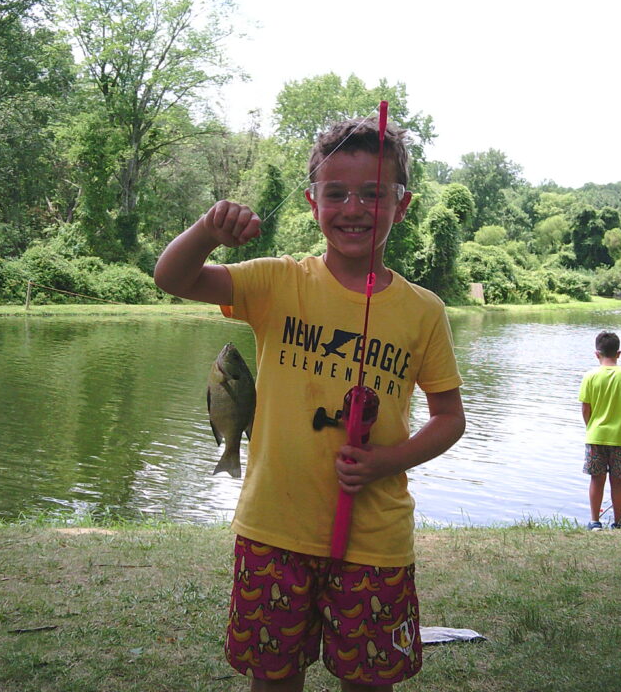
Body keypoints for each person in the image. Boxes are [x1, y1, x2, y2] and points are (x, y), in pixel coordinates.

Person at [154, 116, 465, 692]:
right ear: (311, 201)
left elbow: (450, 417)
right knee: (273, 678)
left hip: (376, 537)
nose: (354, 208)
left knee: (369, 681)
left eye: (374, 193)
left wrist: (387, 461)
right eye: (336, 192)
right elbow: (173, 277)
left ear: (402, 205)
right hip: (275, 528)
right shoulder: (278, 282)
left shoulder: (424, 311)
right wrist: (208, 230)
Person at [579, 331, 621, 530]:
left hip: (596, 436)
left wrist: (591, 427)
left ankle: (594, 521)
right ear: (619, 353)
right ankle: (618, 522)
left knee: (596, 480)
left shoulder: (589, 376)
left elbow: (585, 408)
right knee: (618, 482)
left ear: (596, 354)